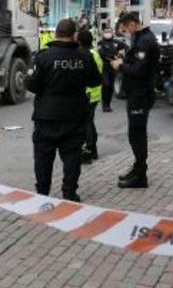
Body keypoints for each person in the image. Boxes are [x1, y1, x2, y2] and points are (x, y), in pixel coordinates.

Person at [27, 19, 102, 201]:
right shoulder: (84, 56)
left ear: (56, 34)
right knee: (72, 157)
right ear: (74, 35)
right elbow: (95, 81)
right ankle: (69, 193)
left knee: (43, 158)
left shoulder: (44, 56)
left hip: (47, 116)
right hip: (75, 115)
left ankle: (43, 193)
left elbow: (32, 85)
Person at [111, 12, 160, 188]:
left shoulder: (145, 41)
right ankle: (138, 168)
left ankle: (140, 175)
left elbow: (139, 71)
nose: (125, 33)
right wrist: (124, 59)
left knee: (137, 135)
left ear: (132, 24)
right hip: (136, 93)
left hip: (141, 95)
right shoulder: (140, 39)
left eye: (125, 29)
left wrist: (120, 65)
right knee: (134, 134)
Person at [77, 29, 103, 163]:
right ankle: (93, 150)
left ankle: (89, 150)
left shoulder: (86, 54)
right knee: (90, 122)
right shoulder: (95, 53)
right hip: (95, 93)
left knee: (86, 123)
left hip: (87, 93)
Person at [97, 26, 128, 112]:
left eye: (109, 31)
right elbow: (101, 54)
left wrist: (120, 55)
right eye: (106, 31)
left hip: (113, 68)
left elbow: (126, 47)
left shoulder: (116, 42)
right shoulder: (100, 43)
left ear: (112, 32)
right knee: (106, 85)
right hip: (105, 67)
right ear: (103, 33)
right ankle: (104, 104)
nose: (108, 33)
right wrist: (111, 60)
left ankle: (108, 105)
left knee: (111, 87)